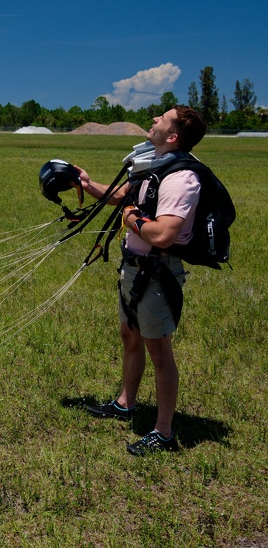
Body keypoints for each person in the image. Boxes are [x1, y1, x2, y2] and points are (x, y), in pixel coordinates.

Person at [75, 105, 206, 455]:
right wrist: (87, 184)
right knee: (129, 336)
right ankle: (125, 404)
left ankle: (163, 433)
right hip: (134, 268)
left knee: (159, 351)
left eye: (161, 119)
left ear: (174, 135)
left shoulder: (181, 178)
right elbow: (123, 197)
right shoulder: (154, 164)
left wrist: (131, 219)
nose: (153, 121)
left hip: (157, 273)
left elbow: (163, 234)